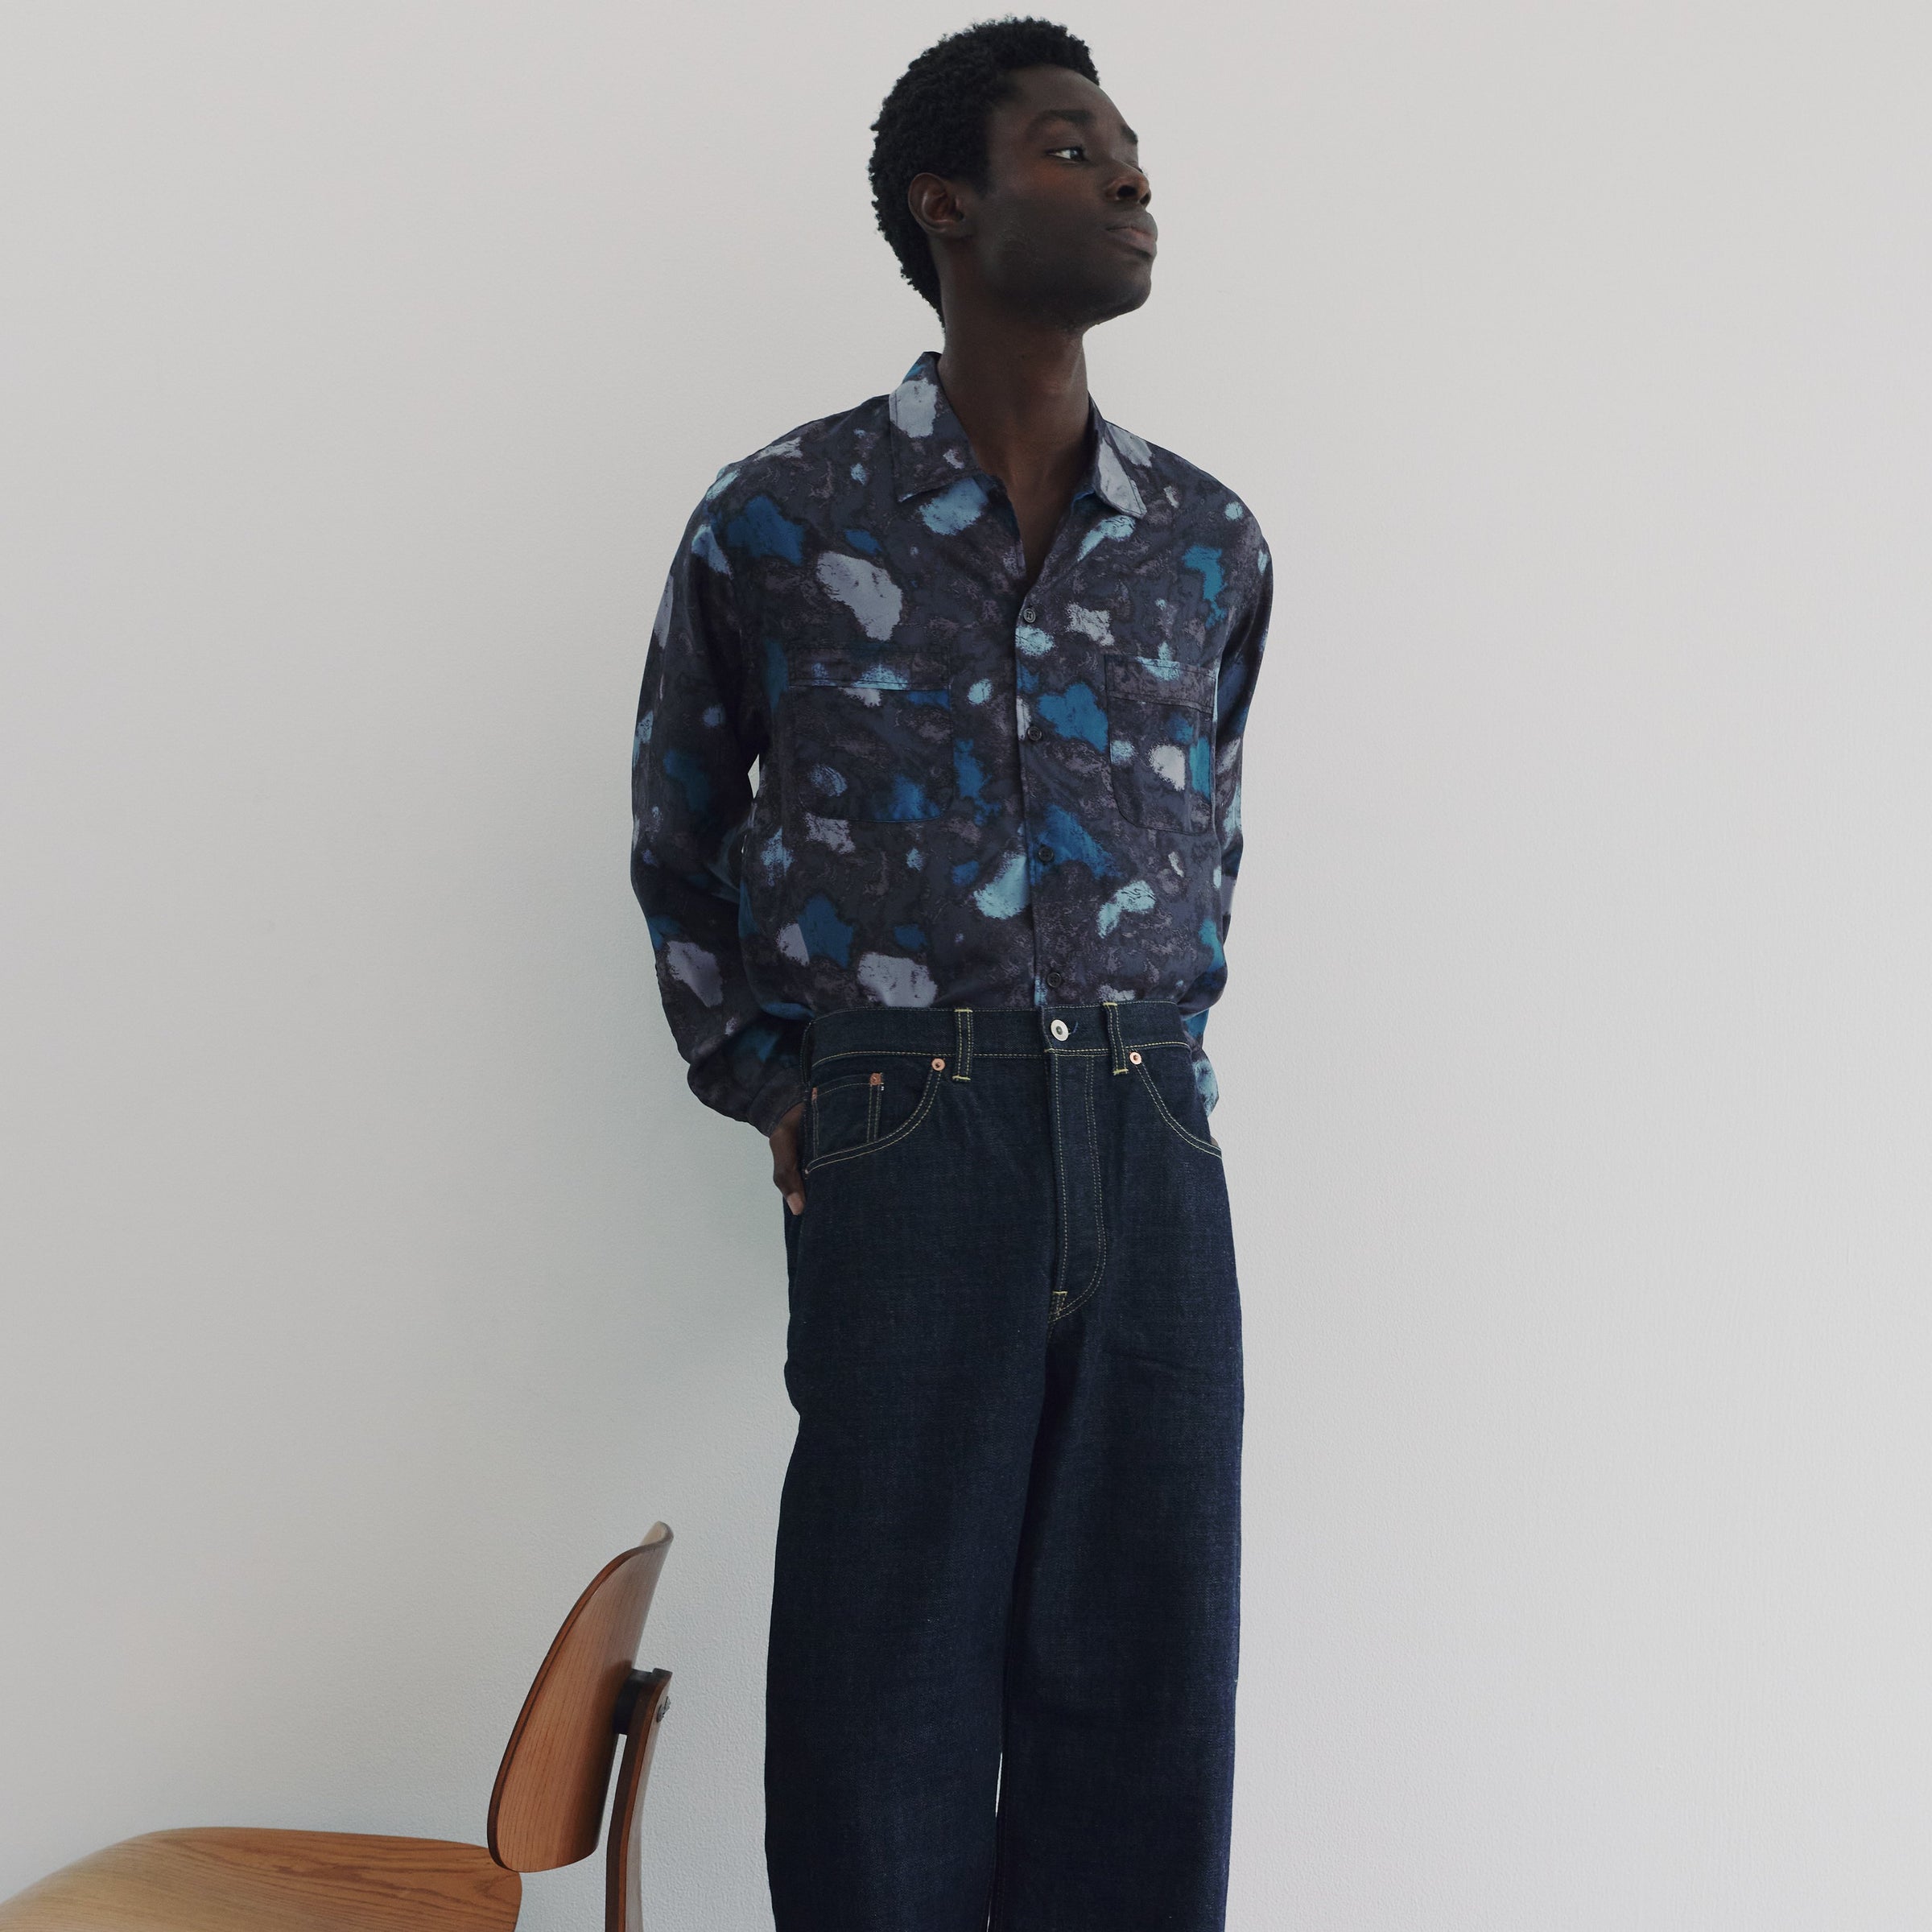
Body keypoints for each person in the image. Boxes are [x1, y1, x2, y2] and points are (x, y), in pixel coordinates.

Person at [630, 19, 1272, 1929]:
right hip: (909, 1135)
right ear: (949, 205)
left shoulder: (1205, 543)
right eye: (1073, 145)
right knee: (885, 1686)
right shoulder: (782, 518)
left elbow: (1213, 827)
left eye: (1130, 144)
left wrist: (1163, 1069)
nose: (1131, 175)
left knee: (1147, 1681)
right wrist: (780, 1084)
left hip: (1151, 1131)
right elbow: (678, 830)